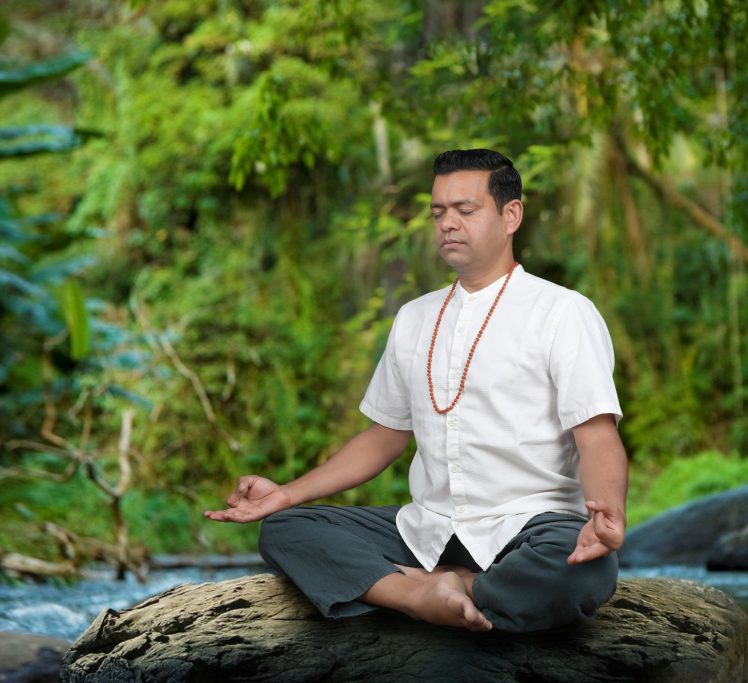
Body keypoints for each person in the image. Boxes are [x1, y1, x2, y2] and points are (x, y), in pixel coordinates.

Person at [205, 149, 628, 634]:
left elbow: (597, 437)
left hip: (529, 524)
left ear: (511, 215)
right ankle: (417, 594)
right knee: (287, 529)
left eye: (465, 210)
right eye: (438, 212)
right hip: (427, 529)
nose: (448, 223)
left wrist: (607, 513)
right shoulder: (415, 317)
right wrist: (284, 495)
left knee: (583, 571)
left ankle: (451, 587)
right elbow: (384, 437)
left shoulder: (562, 312)